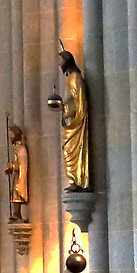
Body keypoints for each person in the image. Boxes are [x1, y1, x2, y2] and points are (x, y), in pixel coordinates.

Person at [58, 47, 89, 189]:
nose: (60, 64)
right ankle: (73, 180)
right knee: (66, 149)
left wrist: (67, 109)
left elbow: (79, 101)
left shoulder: (75, 77)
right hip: (70, 119)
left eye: (61, 60)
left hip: (76, 120)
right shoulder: (69, 78)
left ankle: (78, 180)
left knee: (70, 148)